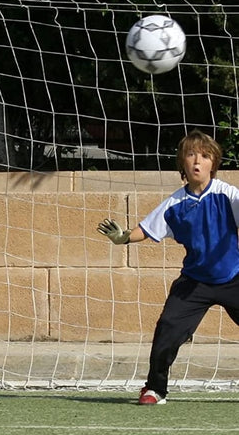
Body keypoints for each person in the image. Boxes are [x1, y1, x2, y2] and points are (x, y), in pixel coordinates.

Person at [97, 129, 239, 405]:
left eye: (205, 156)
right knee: (166, 332)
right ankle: (155, 389)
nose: (198, 161)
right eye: (191, 155)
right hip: (194, 283)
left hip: (233, 277)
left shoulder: (228, 195)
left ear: (214, 163)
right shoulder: (175, 204)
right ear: (182, 164)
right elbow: (145, 229)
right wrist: (123, 237)